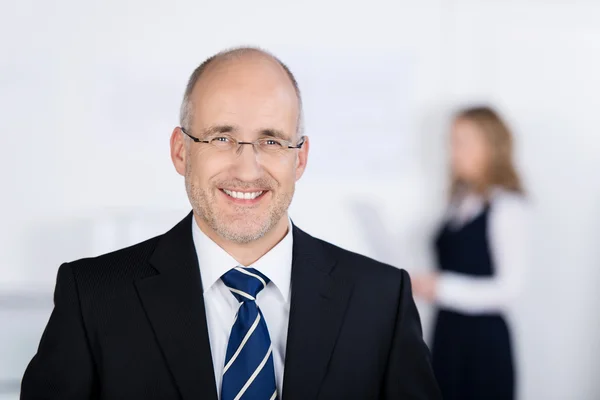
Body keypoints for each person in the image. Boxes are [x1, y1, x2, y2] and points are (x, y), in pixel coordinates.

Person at [21, 47, 441, 400]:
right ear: (181, 151)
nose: (246, 168)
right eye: (222, 138)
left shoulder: (382, 301)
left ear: (300, 158)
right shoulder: (95, 297)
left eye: (271, 140)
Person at [411, 106, 530, 400]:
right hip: (448, 336)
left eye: (463, 142)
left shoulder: (507, 206)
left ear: (491, 147)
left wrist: (441, 287)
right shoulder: (460, 202)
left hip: (483, 347)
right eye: (451, 142)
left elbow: (509, 289)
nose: (453, 152)